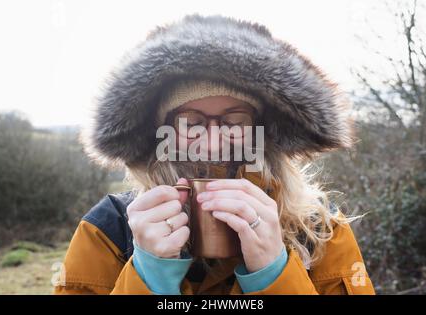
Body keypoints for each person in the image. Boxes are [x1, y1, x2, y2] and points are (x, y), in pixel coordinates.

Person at [53, 14, 375, 295]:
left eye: (235, 121)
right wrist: (148, 277)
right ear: (161, 132)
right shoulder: (109, 231)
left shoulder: (319, 230)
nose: (212, 143)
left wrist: (275, 275)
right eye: (190, 122)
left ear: (261, 131)